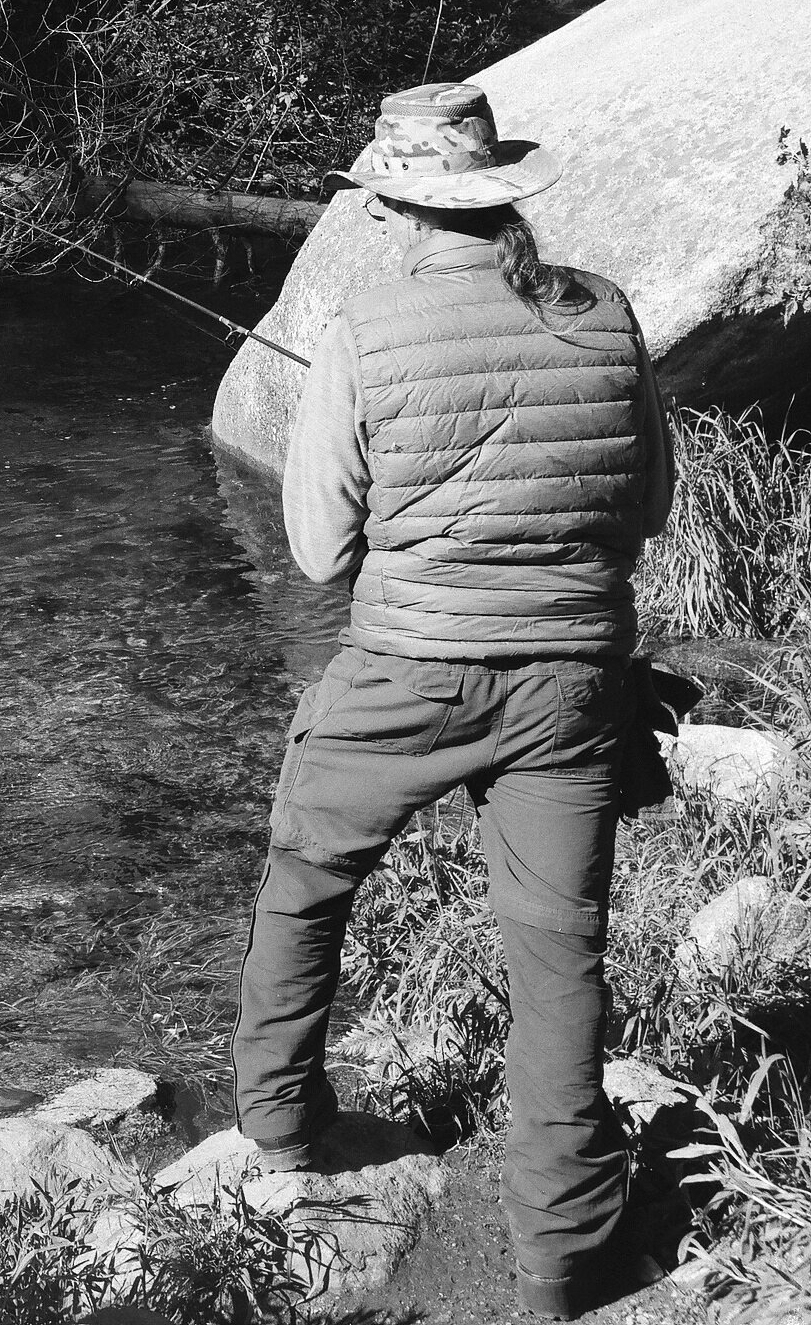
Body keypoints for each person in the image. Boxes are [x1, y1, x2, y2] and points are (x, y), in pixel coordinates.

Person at [233, 80, 675, 1320]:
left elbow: (321, 552)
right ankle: (556, 1260)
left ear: (387, 199)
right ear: (498, 192)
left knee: (307, 873)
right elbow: (647, 511)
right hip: (573, 684)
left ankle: (282, 1127)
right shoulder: (605, 310)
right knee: (557, 949)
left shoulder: (364, 330)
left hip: (406, 673)